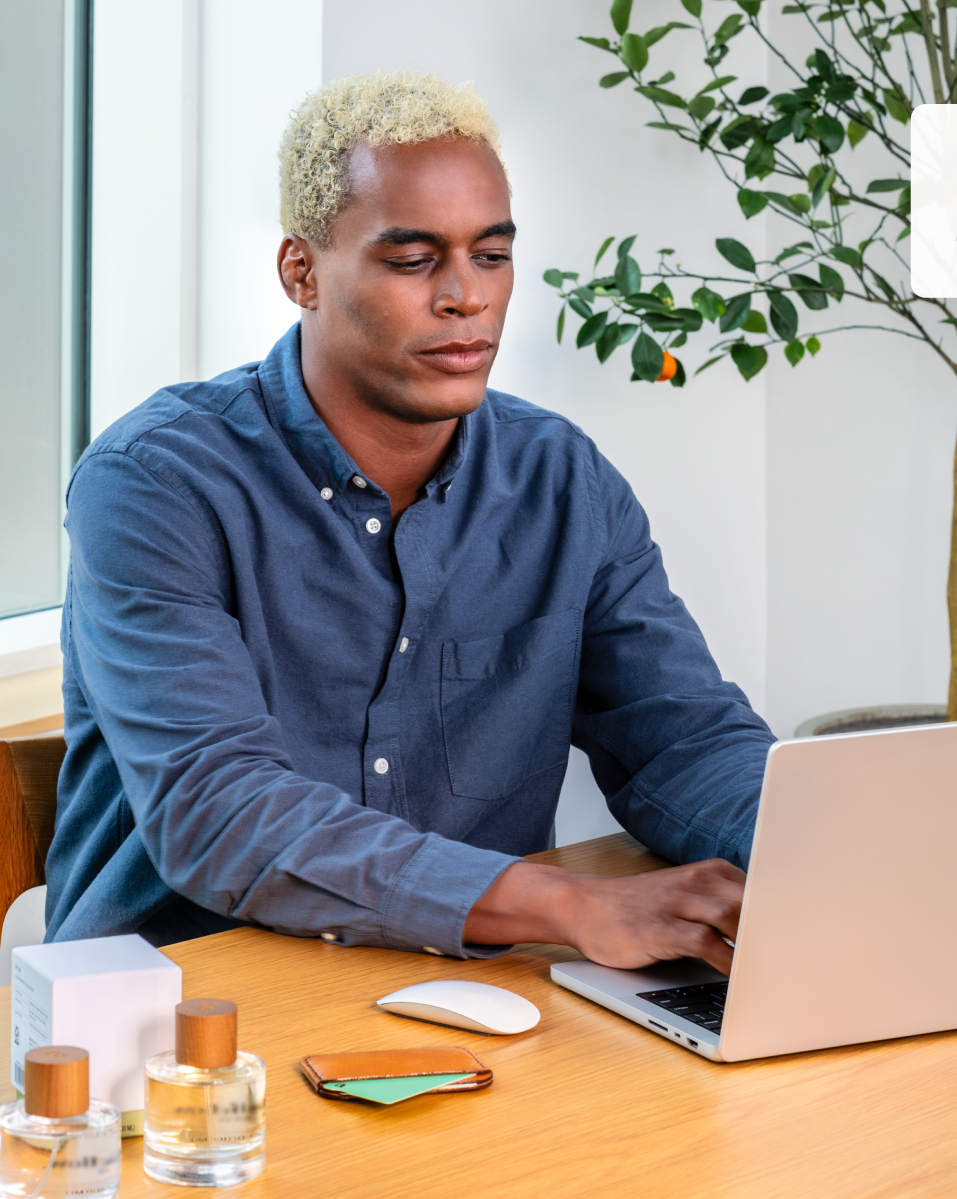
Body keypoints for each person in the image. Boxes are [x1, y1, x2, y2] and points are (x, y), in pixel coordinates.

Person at [47, 72, 769, 974]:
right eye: (413, 260)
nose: (467, 296)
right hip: (185, 1026)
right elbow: (218, 809)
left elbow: (683, 737)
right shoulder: (155, 484)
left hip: (479, 1010)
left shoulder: (561, 480)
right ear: (301, 272)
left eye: (492, 255)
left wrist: (821, 850)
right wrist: (564, 902)